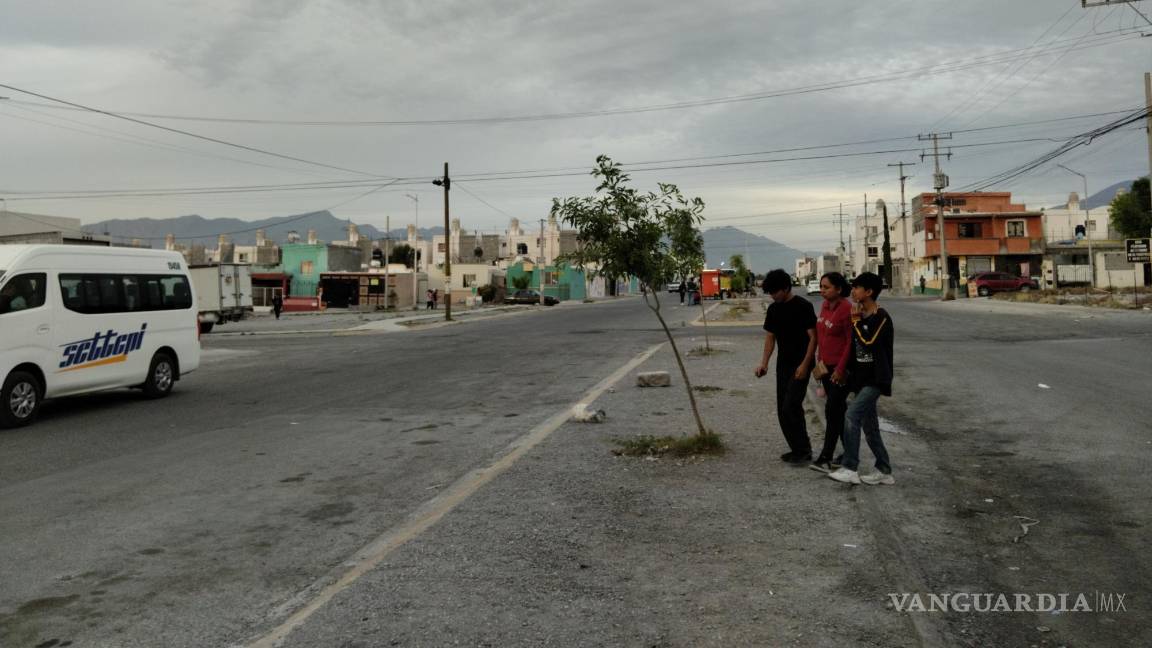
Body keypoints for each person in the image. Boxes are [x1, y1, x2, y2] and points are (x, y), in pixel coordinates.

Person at [828, 272, 896, 486]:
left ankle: (850, 467)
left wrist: (856, 321)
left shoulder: (881, 317)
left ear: (869, 292)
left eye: (857, 288)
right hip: (861, 378)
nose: (853, 291)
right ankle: (884, 470)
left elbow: (869, 341)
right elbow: (853, 347)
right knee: (870, 426)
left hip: (877, 379)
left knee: (851, 415)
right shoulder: (858, 314)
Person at [754, 269, 817, 465]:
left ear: (786, 288)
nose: (773, 296)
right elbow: (770, 337)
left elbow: (813, 338)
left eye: (775, 292)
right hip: (783, 365)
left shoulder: (803, 306)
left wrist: (805, 365)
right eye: (770, 293)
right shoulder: (773, 309)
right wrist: (764, 363)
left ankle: (804, 450)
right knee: (783, 408)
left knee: (792, 405)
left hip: (802, 364)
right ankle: (797, 449)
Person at [809, 272, 852, 474]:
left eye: (826, 287)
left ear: (839, 289)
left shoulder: (846, 309)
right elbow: (822, 335)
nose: (822, 290)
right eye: (822, 286)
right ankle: (850, 454)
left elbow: (850, 344)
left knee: (833, 410)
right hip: (825, 368)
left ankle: (826, 456)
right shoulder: (824, 306)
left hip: (840, 370)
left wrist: (841, 369)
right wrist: (819, 363)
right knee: (837, 411)